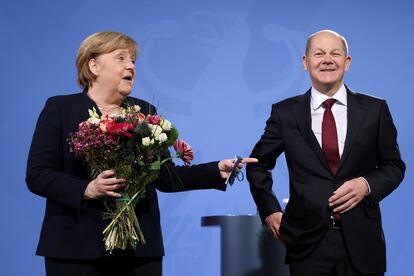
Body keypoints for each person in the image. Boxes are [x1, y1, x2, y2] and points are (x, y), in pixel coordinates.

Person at [26, 31, 256, 276]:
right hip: (74, 249)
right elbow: (38, 175)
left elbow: (165, 177)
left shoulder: (145, 111)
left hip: (139, 253)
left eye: (133, 60)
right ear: (94, 66)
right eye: (121, 58)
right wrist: (87, 189)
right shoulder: (61, 108)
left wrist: (214, 170)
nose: (131, 66)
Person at [246, 30, 405, 276]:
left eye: (335, 53)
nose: (327, 60)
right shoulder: (285, 113)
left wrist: (366, 184)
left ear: (347, 62)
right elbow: (257, 164)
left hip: (362, 243)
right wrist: (270, 210)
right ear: (305, 62)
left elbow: (394, 166)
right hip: (307, 245)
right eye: (319, 54)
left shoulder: (375, 110)